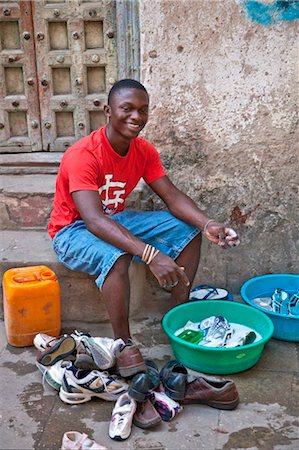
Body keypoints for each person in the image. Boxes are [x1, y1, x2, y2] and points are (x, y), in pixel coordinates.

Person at [48, 79, 239, 377]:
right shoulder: (83, 155)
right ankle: (123, 344)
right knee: (117, 255)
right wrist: (150, 254)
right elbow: (94, 220)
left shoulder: (143, 151)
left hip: (114, 220)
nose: (136, 117)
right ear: (108, 111)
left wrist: (207, 223)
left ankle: (177, 315)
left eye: (142, 110)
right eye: (127, 109)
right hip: (72, 230)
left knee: (186, 229)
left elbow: (172, 196)